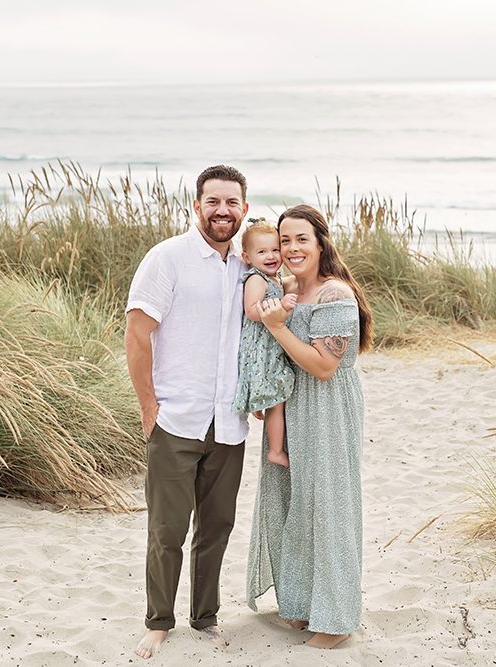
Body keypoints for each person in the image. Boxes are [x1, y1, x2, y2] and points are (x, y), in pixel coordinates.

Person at [125, 164, 250, 659]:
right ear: (196, 206)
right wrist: (148, 404)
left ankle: (205, 618)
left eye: (232, 203)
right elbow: (137, 334)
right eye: (214, 202)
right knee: (167, 530)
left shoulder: (248, 267)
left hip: (230, 422)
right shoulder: (168, 258)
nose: (223, 211)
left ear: (243, 208)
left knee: (217, 528)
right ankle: (158, 621)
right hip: (176, 419)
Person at [246, 203, 373, 649]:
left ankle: (336, 621)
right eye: (285, 240)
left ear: (320, 243)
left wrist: (278, 328)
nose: (292, 248)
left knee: (328, 506)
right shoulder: (287, 287)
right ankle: (301, 606)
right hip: (291, 407)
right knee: (292, 503)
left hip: (328, 409)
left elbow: (323, 366)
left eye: (302, 239)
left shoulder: (335, 294)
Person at [231, 219, 297, 467]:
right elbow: (251, 310)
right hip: (260, 347)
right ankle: (275, 451)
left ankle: (261, 405)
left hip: (270, 345)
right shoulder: (256, 279)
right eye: (262, 252)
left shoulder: (275, 278)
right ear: (247, 257)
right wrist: (280, 307)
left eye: (274, 250)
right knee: (278, 398)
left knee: (274, 394)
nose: (271, 256)